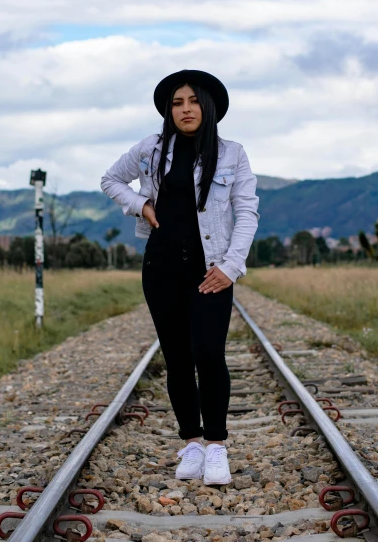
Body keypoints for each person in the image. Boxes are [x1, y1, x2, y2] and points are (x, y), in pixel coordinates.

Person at [101, 69, 259, 485]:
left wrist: (230, 267)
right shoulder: (150, 149)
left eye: (192, 101)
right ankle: (191, 443)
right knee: (177, 359)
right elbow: (110, 180)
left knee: (209, 353)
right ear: (169, 111)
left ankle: (217, 447)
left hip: (211, 270)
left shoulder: (232, 154)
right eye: (177, 103)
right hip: (162, 268)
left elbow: (247, 213)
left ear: (207, 107)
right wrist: (140, 205)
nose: (185, 109)